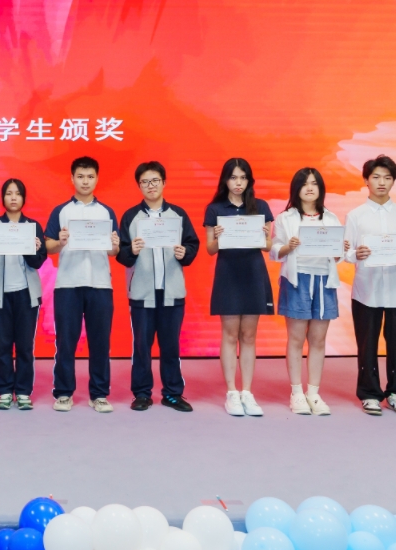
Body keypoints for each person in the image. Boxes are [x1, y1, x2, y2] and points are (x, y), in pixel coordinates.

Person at [116, 161, 199, 413]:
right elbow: (121, 254)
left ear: (164, 182)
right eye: (145, 182)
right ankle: (142, 393)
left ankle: (172, 393)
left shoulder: (178, 215)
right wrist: (131, 250)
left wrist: (185, 253)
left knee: (171, 346)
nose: (150, 186)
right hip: (142, 293)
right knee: (142, 347)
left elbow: (192, 244)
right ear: (139, 186)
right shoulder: (131, 216)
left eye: (154, 181)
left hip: (172, 291)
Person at [342, 156, 396, 417]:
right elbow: (346, 252)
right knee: (367, 344)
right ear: (366, 180)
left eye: (387, 177)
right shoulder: (355, 215)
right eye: (376, 177)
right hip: (367, 289)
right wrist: (356, 254)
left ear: (394, 181)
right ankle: (369, 394)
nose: (381, 182)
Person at [270, 168, 348, 416]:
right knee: (295, 339)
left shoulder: (331, 218)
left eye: (314, 183)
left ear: (321, 188)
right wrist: (287, 247)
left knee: (318, 339)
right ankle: (296, 393)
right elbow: (274, 251)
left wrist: (341, 249)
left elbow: (338, 256)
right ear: (297, 188)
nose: (310, 188)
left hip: (324, 281)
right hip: (297, 280)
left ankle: (313, 393)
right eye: (305, 184)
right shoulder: (285, 218)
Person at [46, 156, 121, 413]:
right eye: (80, 176)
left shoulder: (106, 212)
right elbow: (49, 246)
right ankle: (63, 392)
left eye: (90, 176)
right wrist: (60, 242)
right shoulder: (61, 211)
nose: (85, 181)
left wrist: (114, 245)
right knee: (66, 342)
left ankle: (99, 394)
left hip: (100, 284)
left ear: (97, 179)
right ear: (72, 178)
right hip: (68, 284)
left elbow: (113, 251)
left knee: (100, 342)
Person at [204, 158, 274, 417]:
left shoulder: (261, 207)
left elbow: (267, 246)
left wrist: (264, 235)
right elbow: (210, 249)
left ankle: (247, 392)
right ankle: (232, 393)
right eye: (233, 177)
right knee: (230, 334)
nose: (238, 183)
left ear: (249, 181)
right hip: (228, 274)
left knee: (249, 335)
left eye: (243, 178)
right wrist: (219, 237)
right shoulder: (214, 209)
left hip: (253, 273)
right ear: (225, 180)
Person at [0, 178, 49, 410]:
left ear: (23, 198)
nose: (13, 197)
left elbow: (38, 262)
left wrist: (34, 248)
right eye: (9, 193)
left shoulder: (33, 226)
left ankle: (24, 391)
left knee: (25, 346)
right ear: (3, 198)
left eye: (17, 193)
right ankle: (6, 390)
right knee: (3, 345)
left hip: (26, 295)